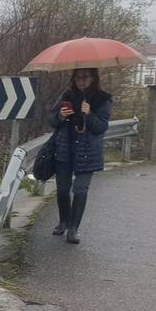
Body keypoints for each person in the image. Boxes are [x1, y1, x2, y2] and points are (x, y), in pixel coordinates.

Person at [48, 67, 111, 244]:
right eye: (78, 78)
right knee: (62, 188)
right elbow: (51, 120)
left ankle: (73, 229)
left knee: (80, 189)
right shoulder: (66, 96)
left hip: (87, 152)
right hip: (65, 148)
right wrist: (60, 116)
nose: (81, 81)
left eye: (85, 77)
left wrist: (89, 114)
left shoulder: (102, 99)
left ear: (93, 78)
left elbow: (101, 127)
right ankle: (63, 222)